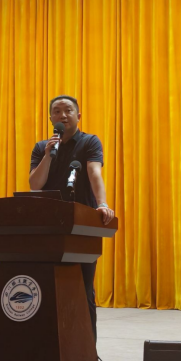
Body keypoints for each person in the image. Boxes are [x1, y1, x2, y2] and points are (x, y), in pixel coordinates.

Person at [29, 95, 115, 342]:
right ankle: (49, 350)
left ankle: (87, 353)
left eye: (68, 110)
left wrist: (102, 204)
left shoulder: (89, 141)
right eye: (57, 111)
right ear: (50, 118)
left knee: (83, 290)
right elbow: (35, 185)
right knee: (47, 289)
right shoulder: (42, 147)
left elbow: (94, 173)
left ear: (79, 116)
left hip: (82, 226)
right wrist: (48, 155)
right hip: (48, 226)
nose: (63, 115)